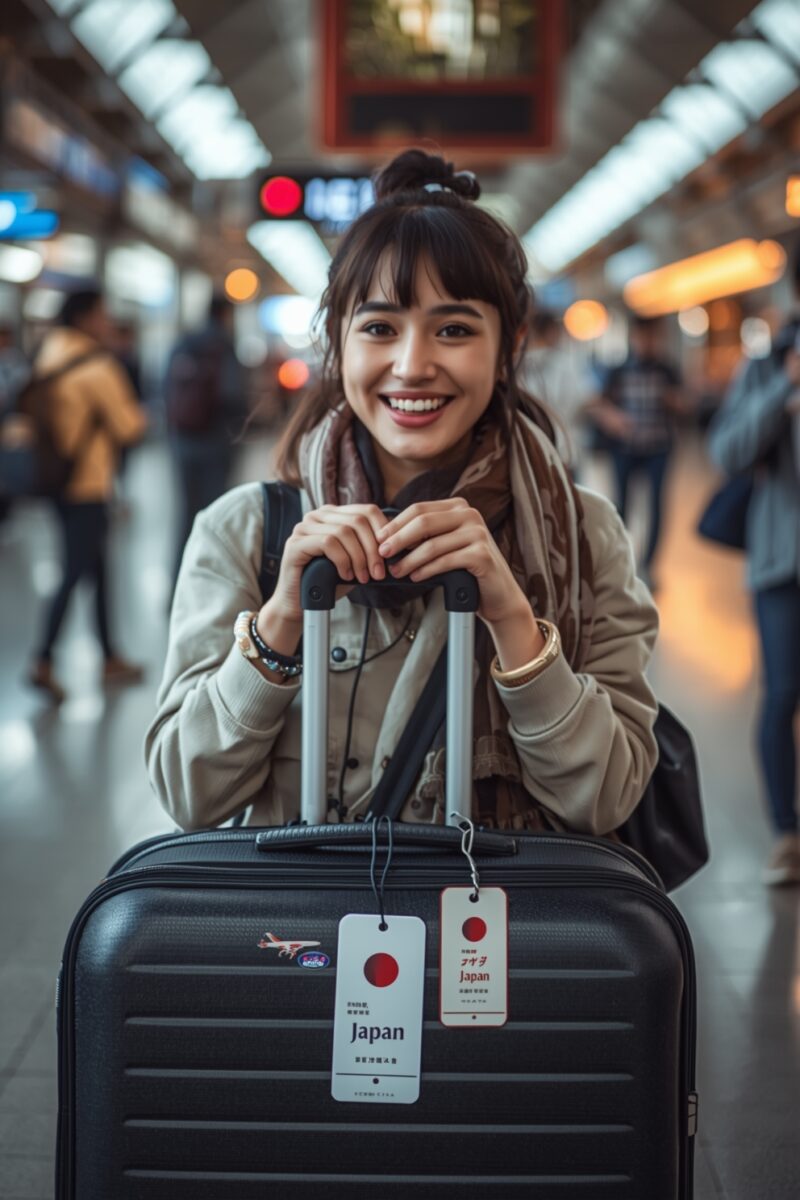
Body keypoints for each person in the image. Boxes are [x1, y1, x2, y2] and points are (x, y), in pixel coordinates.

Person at [146, 149, 659, 834]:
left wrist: (511, 617)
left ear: (507, 349)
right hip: (306, 938)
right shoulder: (246, 531)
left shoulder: (585, 533)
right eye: (379, 328)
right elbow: (188, 793)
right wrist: (280, 624)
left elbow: (607, 797)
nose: (413, 366)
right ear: (338, 344)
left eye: (454, 330)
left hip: (495, 937)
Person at [707, 258, 800, 886]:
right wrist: (783, 393)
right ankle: (786, 834)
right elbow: (726, 450)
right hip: (781, 561)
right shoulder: (769, 365)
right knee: (782, 693)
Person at [28, 289, 147, 703]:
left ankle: (110, 655)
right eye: (101, 313)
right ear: (84, 317)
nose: (106, 321)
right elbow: (130, 427)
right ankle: (41, 660)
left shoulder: (49, 352)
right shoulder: (98, 365)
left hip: (54, 480)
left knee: (99, 569)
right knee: (74, 572)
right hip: (87, 485)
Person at [592, 315, 684, 590]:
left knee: (656, 505)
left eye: (651, 337)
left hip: (659, 447)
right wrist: (613, 418)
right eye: (641, 337)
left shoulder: (667, 370)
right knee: (622, 506)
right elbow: (598, 405)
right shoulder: (619, 371)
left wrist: (674, 400)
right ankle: (621, 563)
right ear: (633, 338)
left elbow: (686, 404)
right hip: (625, 449)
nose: (646, 342)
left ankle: (649, 565)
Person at [164, 294, 247, 584]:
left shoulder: (184, 343)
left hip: (182, 442)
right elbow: (233, 394)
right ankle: (206, 586)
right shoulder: (222, 346)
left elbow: (165, 390)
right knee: (214, 518)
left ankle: (177, 582)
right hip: (214, 443)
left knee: (185, 514)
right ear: (225, 315)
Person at [518, 308, 595, 475]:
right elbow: (584, 399)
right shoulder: (566, 363)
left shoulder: (517, 365)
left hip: (530, 451)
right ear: (552, 331)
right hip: (566, 448)